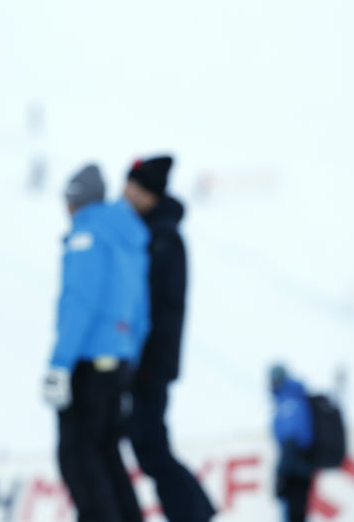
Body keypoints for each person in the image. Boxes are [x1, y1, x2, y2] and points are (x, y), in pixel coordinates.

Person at [43, 163, 151, 522]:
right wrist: (127, 355)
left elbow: (80, 302)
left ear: (76, 201)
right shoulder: (128, 238)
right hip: (118, 359)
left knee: (78, 456)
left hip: (88, 363)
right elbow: (140, 310)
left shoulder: (87, 236)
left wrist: (60, 364)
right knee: (105, 452)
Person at [123, 155, 217, 522]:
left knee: (150, 445)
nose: (125, 195)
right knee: (146, 444)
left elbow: (163, 306)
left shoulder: (162, 237)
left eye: (132, 187)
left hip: (152, 360)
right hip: (148, 358)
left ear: (148, 193)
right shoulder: (152, 233)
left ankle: (194, 514)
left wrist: (151, 358)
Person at [270, 364, 316, 522]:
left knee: (294, 514)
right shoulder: (295, 400)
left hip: (294, 470)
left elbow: (291, 441)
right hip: (301, 468)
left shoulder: (289, 404)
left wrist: (281, 474)